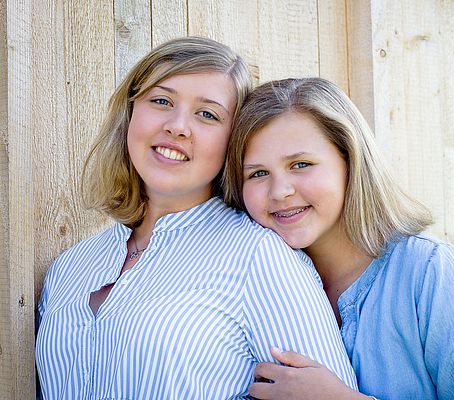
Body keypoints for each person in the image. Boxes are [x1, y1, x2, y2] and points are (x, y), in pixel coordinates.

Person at [35, 38, 357, 399]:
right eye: (161, 101)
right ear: (130, 113)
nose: (177, 126)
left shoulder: (259, 256)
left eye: (207, 114)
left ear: (233, 141)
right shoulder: (70, 267)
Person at [223, 77, 454, 399]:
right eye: (257, 173)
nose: (280, 191)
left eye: (301, 164)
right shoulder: (255, 282)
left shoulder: (428, 271)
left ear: (350, 161)